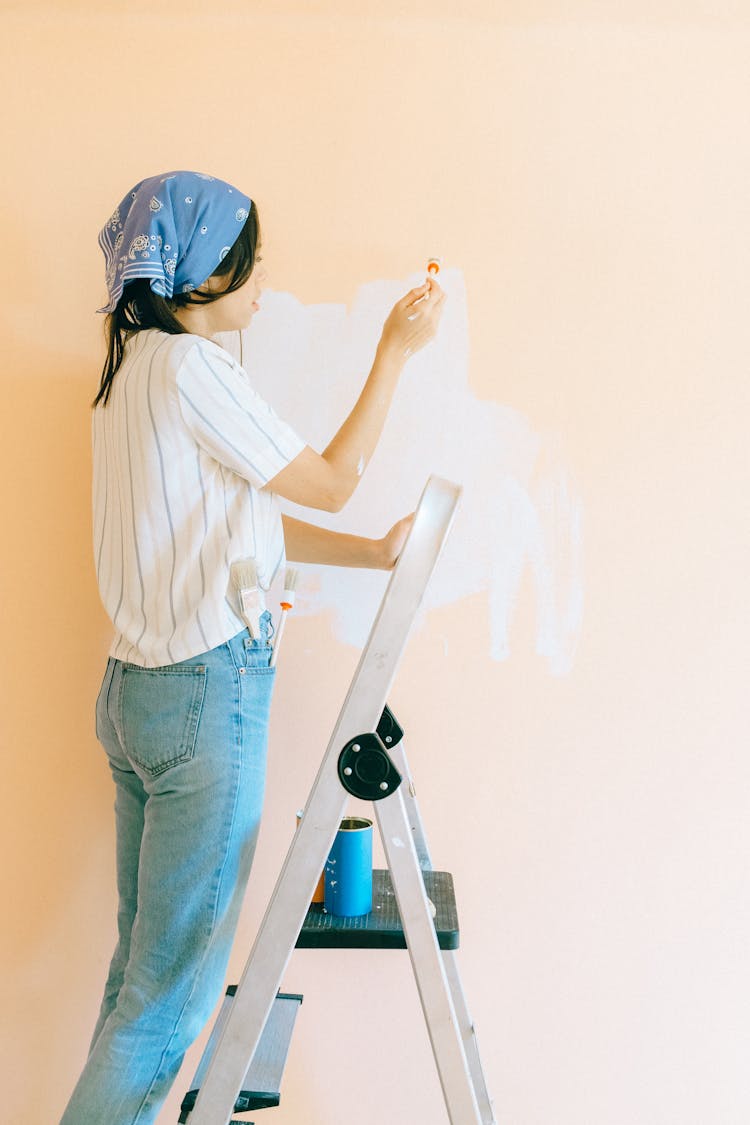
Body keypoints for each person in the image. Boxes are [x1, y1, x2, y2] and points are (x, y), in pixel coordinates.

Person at [60, 170, 445, 1124]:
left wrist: (368, 555)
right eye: (247, 261)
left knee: (139, 987)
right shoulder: (195, 371)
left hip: (136, 696)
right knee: (167, 1008)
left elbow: (241, 516)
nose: (262, 278)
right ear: (198, 276)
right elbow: (331, 480)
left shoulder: (131, 377)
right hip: (201, 697)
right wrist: (395, 352)